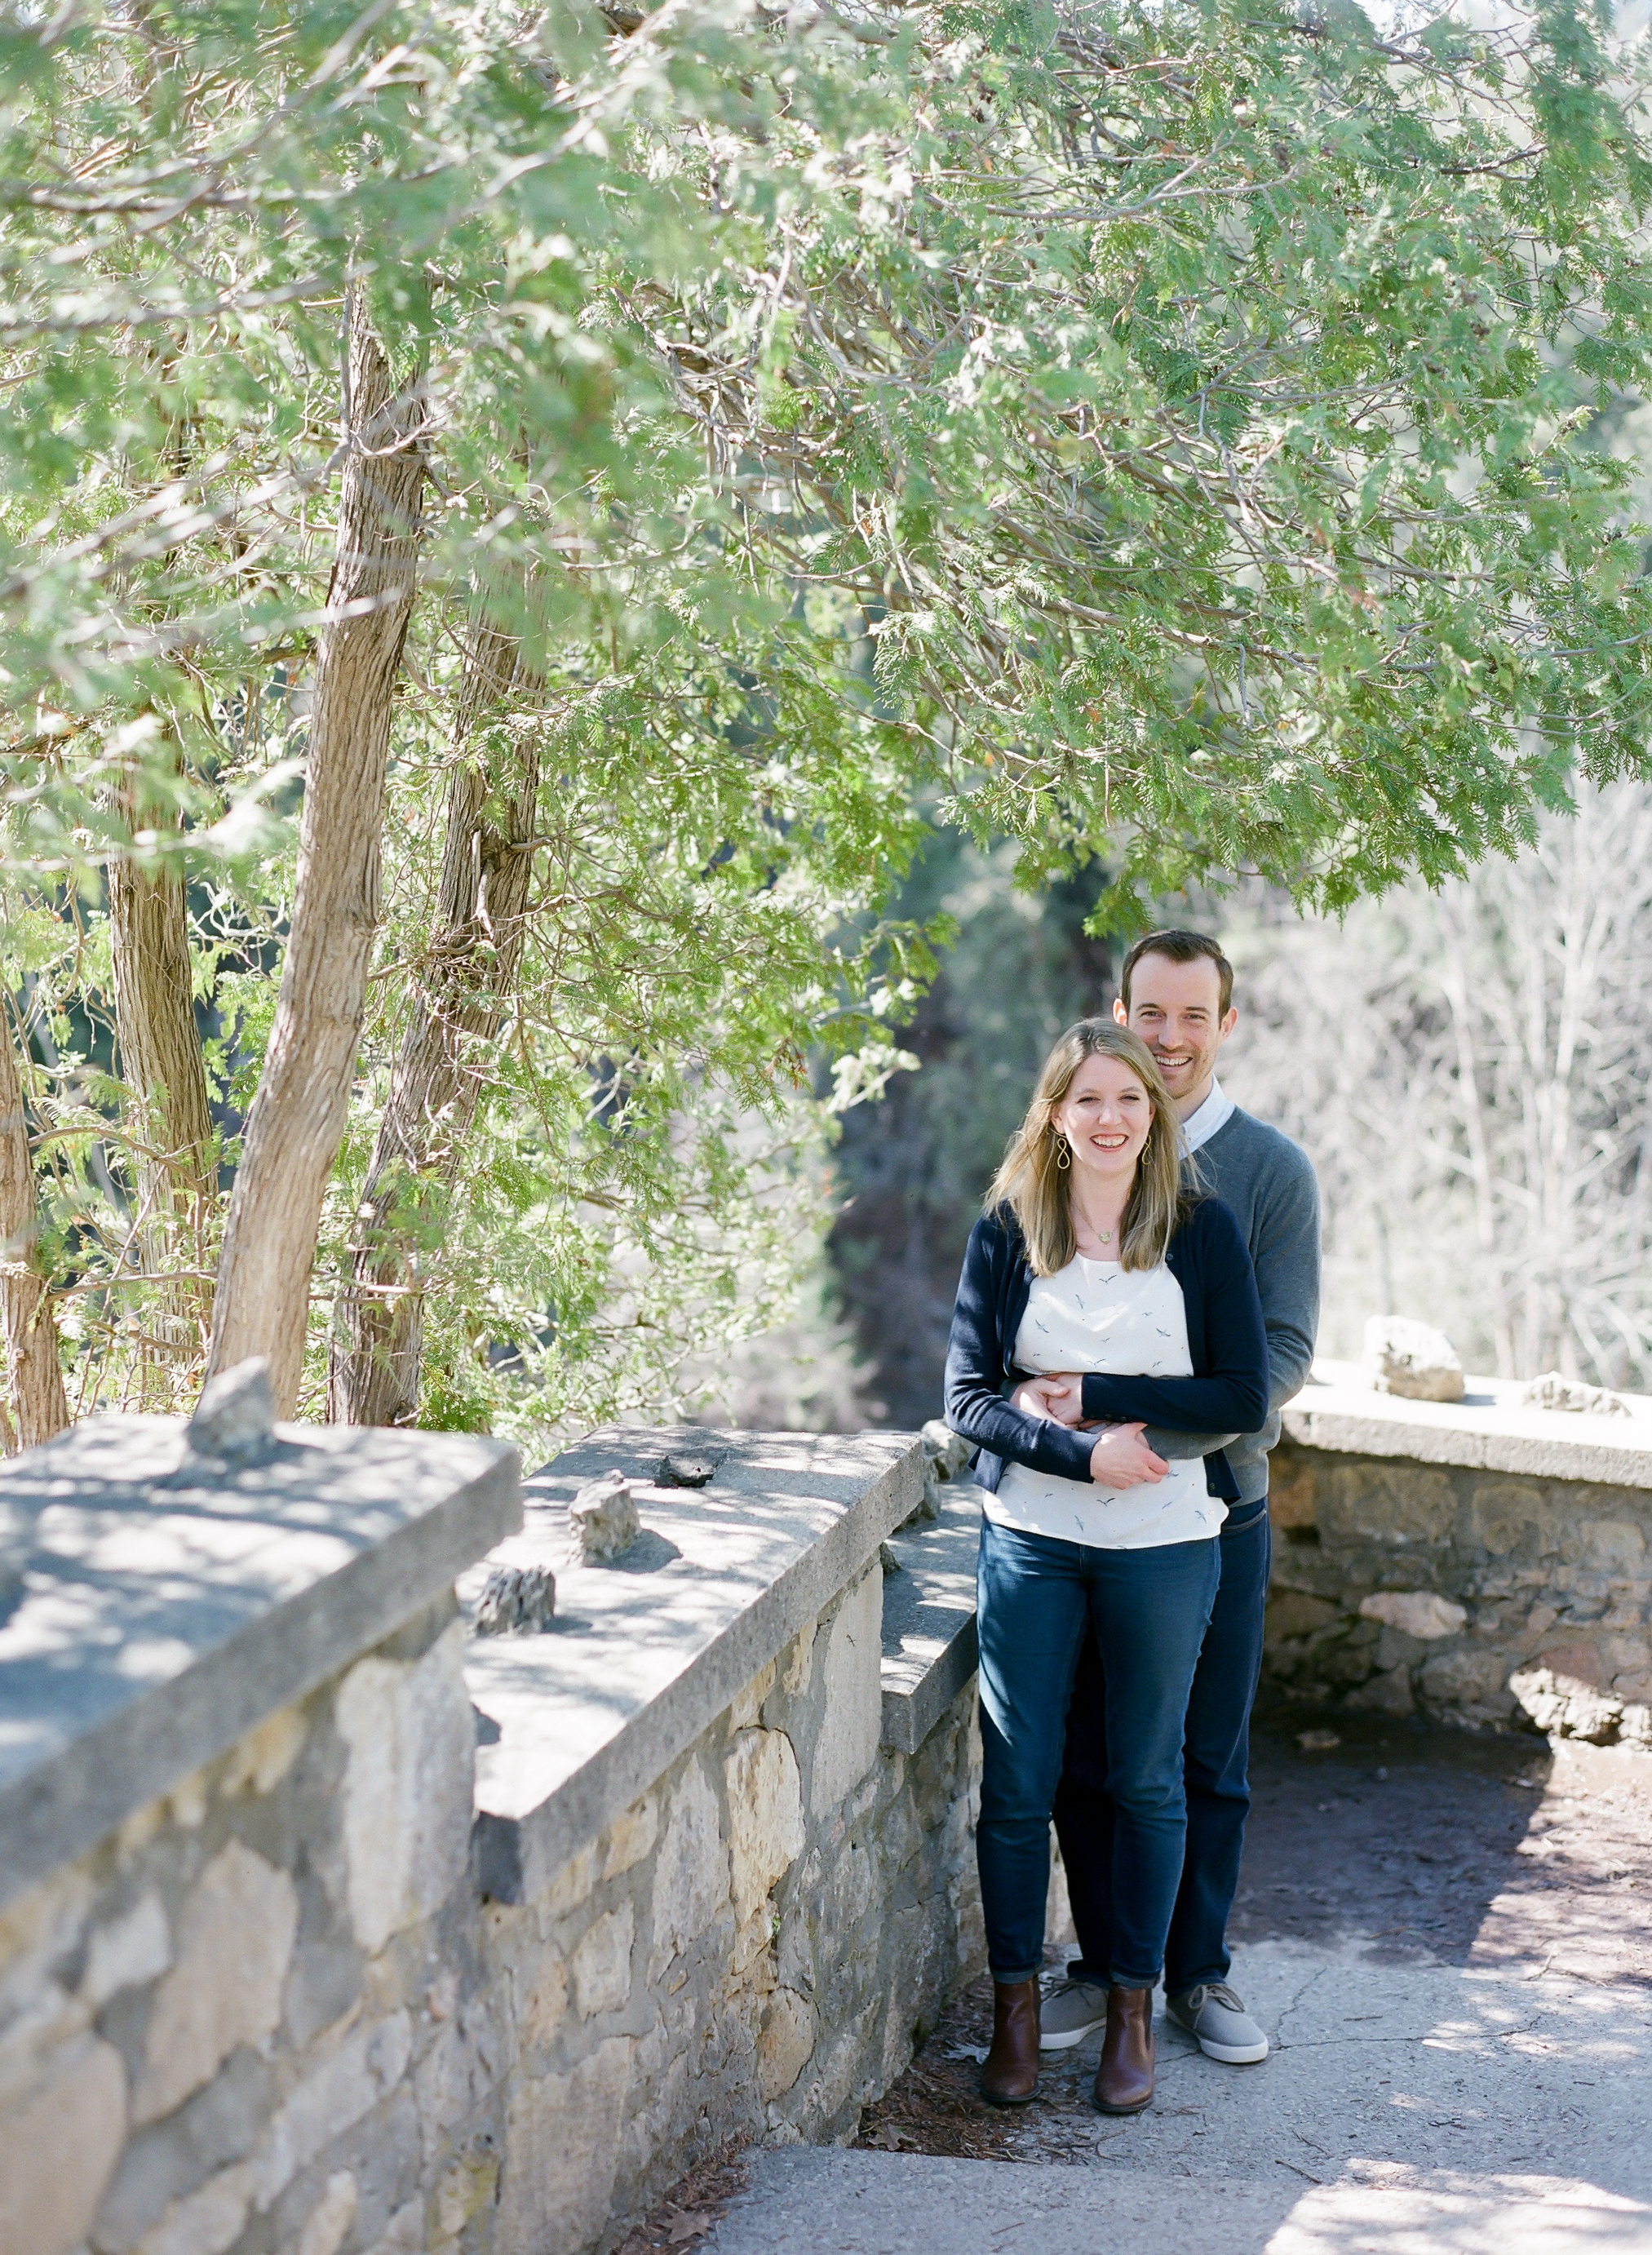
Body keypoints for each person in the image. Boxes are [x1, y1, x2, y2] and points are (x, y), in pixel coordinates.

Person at [942, 1019, 1268, 2115]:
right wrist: (1078, 1448)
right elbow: (966, 1400)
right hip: (1030, 1541)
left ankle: (1132, 2013)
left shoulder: (1200, 1233)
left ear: (1152, 1114)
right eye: (1087, 1098)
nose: (1110, 1117)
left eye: (1128, 1098)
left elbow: (1239, 1396)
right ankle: (1016, 2015)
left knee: (1142, 1779)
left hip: (1165, 1547)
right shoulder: (1006, 1230)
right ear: (1055, 1115)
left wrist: (1098, 1398)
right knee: (1018, 1790)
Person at [1026, 931, 1322, 2071]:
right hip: (1081, 1512)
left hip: (1220, 1503)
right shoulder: (1072, 1156)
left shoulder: (1269, 1173)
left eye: (1192, 1016)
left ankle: (1194, 1976)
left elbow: (1282, 1355)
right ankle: (1104, 1972)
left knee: (1204, 1757)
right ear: (1118, 1011)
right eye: (1150, 1013)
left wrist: (1145, 1432)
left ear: (1224, 1026)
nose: (1169, 1038)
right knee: (1085, 1754)